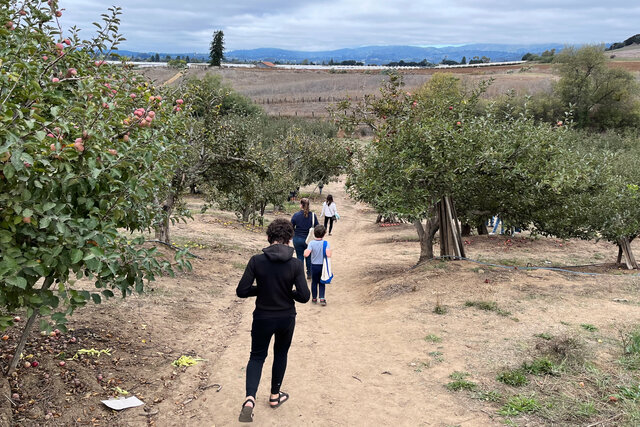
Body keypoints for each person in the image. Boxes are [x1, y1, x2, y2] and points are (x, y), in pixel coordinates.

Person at [236, 218, 310, 423]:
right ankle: (275, 396)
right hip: (286, 317)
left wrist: (263, 288)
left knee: (257, 357)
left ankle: (249, 399)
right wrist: (287, 291)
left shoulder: (256, 260)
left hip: (262, 316)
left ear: (268, 238)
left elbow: (241, 291)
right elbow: (304, 296)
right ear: (289, 239)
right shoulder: (295, 264)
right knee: (280, 354)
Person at [304, 225, 332, 306]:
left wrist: (306, 250)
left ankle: (314, 298)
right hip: (322, 266)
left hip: (314, 266)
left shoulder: (311, 243)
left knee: (314, 282)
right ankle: (322, 298)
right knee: (322, 282)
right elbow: (328, 254)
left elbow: (306, 254)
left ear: (314, 233)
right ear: (324, 234)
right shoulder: (326, 243)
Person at [291, 198, 318, 279]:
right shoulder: (313, 216)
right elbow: (317, 227)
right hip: (309, 240)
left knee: (299, 256)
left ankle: (300, 275)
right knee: (309, 257)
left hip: (297, 238)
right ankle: (309, 273)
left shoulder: (296, 215)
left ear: (301, 205)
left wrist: (295, 232)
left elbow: (291, 227)